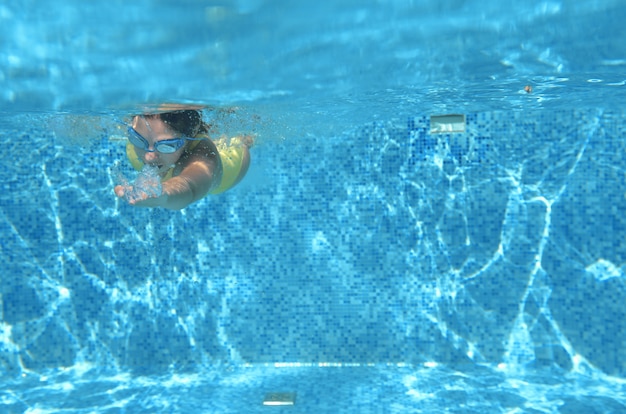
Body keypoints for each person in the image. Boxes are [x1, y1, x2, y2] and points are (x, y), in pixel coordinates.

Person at [114, 109, 252, 210]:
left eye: (167, 146)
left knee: (242, 138)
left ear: (187, 139)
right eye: (138, 139)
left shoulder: (204, 156)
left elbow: (189, 186)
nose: (149, 156)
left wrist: (164, 194)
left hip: (231, 163)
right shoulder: (139, 135)